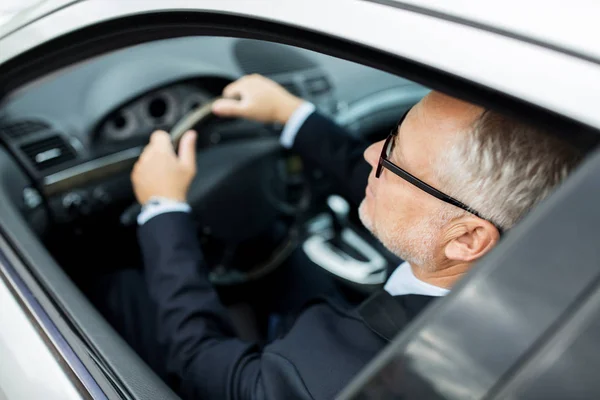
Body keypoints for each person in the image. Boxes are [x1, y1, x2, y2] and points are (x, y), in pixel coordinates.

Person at [117, 74, 580, 399]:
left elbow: (200, 360)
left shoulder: (338, 377)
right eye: (391, 133)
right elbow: (414, 190)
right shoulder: (561, 258)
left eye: (393, 155)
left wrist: (163, 207)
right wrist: (291, 114)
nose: (370, 151)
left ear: (466, 240)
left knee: (123, 290)